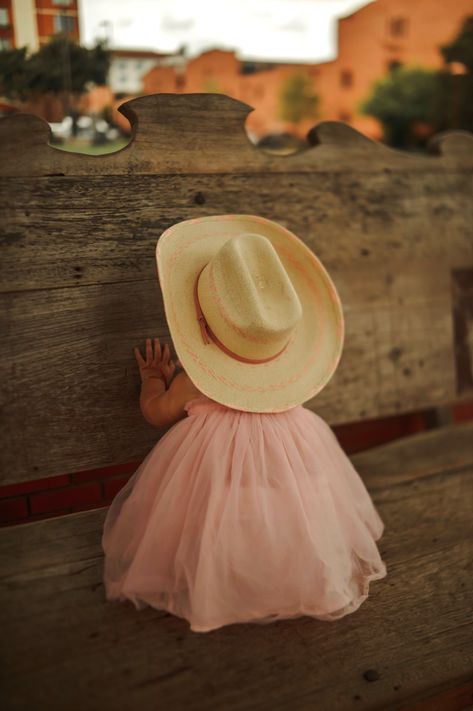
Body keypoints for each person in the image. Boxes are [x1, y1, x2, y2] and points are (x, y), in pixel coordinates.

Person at [101, 214, 387, 633]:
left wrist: (151, 381)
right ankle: (293, 570)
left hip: (220, 495)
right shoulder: (286, 392)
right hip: (283, 499)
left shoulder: (192, 381)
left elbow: (156, 414)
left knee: (213, 517)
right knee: (293, 512)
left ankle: (226, 581)